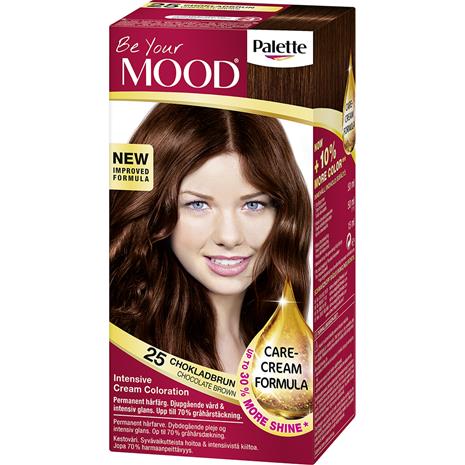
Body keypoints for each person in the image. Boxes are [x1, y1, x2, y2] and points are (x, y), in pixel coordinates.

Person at [110, 103, 311, 374]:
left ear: (284, 213)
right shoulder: (122, 346)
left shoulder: (285, 350)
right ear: (156, 212)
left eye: (253, 205)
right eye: (198, 205)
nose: (229, 237)